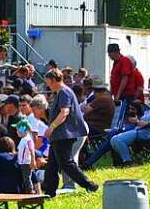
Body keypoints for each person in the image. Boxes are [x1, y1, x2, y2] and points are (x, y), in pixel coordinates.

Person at [43, 68, 99, 197]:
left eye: (48, 82)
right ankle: (49, 192)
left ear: (53, 80)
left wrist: (51, 127)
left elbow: (64, 112)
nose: (48, 85)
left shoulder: (64, 92)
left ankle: (90, 185)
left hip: (64, 134)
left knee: (66, 163)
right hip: (59, 135)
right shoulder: (61, 93)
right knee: (52, 164)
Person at [109, 43, 138, 127]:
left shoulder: (124, 61)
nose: (110, 56)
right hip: (119, 96)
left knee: (123, 117)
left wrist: (118, 95)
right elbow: (113, 80)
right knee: (118, 118)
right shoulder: (115, 63)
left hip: (126, 95)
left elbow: (125, 78)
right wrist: (111, 94)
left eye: (111, 54)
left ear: (116, 52)